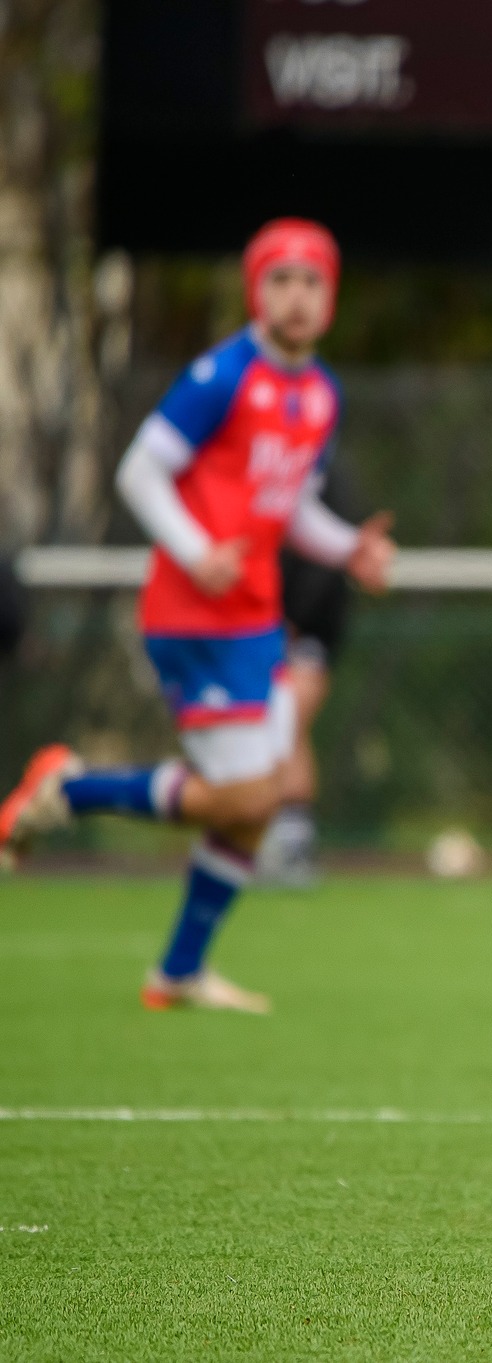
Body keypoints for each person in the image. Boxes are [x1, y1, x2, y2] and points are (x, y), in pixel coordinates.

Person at [0, 218, 395, 1011]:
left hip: (254, 616)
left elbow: (295, 506)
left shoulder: (320, 391)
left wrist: (348, 547)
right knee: (251, 797)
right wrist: (194, 549)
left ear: (330, 297)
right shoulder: (222, 374)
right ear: (256, 291)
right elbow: (140, 469)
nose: (296, 297)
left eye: (311, 282)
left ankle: (178, 971)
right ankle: (69, 788)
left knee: (263, 794)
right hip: (193, 615)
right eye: (279, 281)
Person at [256, 462, 363, 886]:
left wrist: (295, 620)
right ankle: (266, 837)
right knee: (267, 729)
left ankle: (291, 845)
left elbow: (325, 560)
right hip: (265, 626)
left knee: (289, 723)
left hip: (306, 629)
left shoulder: (325, 478)